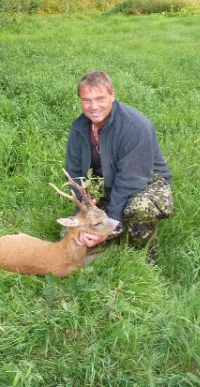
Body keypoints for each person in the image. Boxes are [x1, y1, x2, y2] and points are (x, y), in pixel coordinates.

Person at [65, 70, 173, 261]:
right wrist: (85, 206)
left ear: (112, 95)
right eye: (86, 100)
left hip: (147, 180)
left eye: (100, 98)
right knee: (72, 237)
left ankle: (143, 256)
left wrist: (108, 224)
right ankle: (111, 243)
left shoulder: (136, 127)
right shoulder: (79, 128)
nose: (94, 106)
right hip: (110, 181)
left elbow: (131, 181)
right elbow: (76, 174)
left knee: (138, 209)